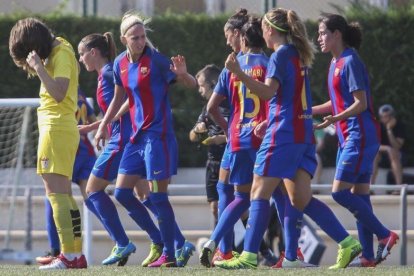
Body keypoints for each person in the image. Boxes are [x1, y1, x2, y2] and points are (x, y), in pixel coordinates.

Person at [215, 8, 362, 270]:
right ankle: (348, 243)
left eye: (263, 28)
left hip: (283, 135)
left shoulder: (280, 55)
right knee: (300, 199)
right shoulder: (297, 54)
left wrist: (237, 72)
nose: (261, 32)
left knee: (259, 191)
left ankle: (248, 256)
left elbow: (268, 92)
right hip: (301, 134)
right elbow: (289, 98)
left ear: (270, 30)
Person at [94, 11, 197, 267]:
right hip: (136, 139)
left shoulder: (158, 62)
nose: (140, 41)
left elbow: (192, 84)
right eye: (135, 38)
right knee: (122, 193)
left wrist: (184, 74)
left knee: (158, 197)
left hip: (158, 138)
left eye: (142, 37)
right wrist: (103, 125)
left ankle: (171, 254)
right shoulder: (119, 63)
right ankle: (167, 243)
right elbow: (120, 98)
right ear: (124, 39)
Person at [313, 13, 399, 267]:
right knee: (359, 196)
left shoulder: (350, 61)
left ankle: (385, 235)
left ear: (337, 34)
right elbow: (337, 101)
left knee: (339, 192)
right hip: (347, 136)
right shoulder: (334, 63)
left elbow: (361, 103)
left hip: (360, 136)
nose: (319, 38)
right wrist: (309, 111)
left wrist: (334, 118)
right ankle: (368, 258)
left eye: (322, 33)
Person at [9, 18, 86, 269]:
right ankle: (75, 255)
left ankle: (68, 256)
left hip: (56, 128)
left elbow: (60, 92)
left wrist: (39, 67)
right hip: (59, 128)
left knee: (56, 195)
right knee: (64, 194)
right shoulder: (61, 48)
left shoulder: (61, 53)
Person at [199, 17, 271, 268]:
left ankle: (216, 244)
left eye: (229, 34)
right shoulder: (270, 63)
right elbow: (275, 100)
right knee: (274, 196)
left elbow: (211, 107)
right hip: (264, 140)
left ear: (241, 36)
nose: (227, 39)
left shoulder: (232, 66)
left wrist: (230, 130)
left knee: (238, 196)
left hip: (239, 138)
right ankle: (284, 253)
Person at [36, 89, 98, 265]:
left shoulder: (60, 93)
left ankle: (60, 252)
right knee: (91, 199)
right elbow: (93, 121)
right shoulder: (81, 95)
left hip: (67, 148)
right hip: (85, 152)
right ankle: (117, 239)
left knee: (56, 198)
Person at [189, 64, 228, 226]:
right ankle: (223, 249)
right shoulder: (207, 109)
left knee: (233, 207)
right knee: (215, 208)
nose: (200, 90)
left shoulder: (231, 104)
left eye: (202, 86)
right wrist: (198, 131)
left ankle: (260, 247)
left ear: (213, 84)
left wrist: (222, 139)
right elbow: (192, 137)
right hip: (212, 162)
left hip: (229, 160)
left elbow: (242, 132)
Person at [371, 104, 406, 187]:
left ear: (392, 116)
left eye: (387, 116)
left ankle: (398, 186)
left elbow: (397, 146)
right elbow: (374, 145)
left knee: (393, 152)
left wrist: (389, 130)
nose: (385, 118)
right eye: (383, 116)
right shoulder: (378, 126)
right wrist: (387, 148)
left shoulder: (399, 126)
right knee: (374, 155)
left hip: (398, 156)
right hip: (382, 154)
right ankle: (370, 187)